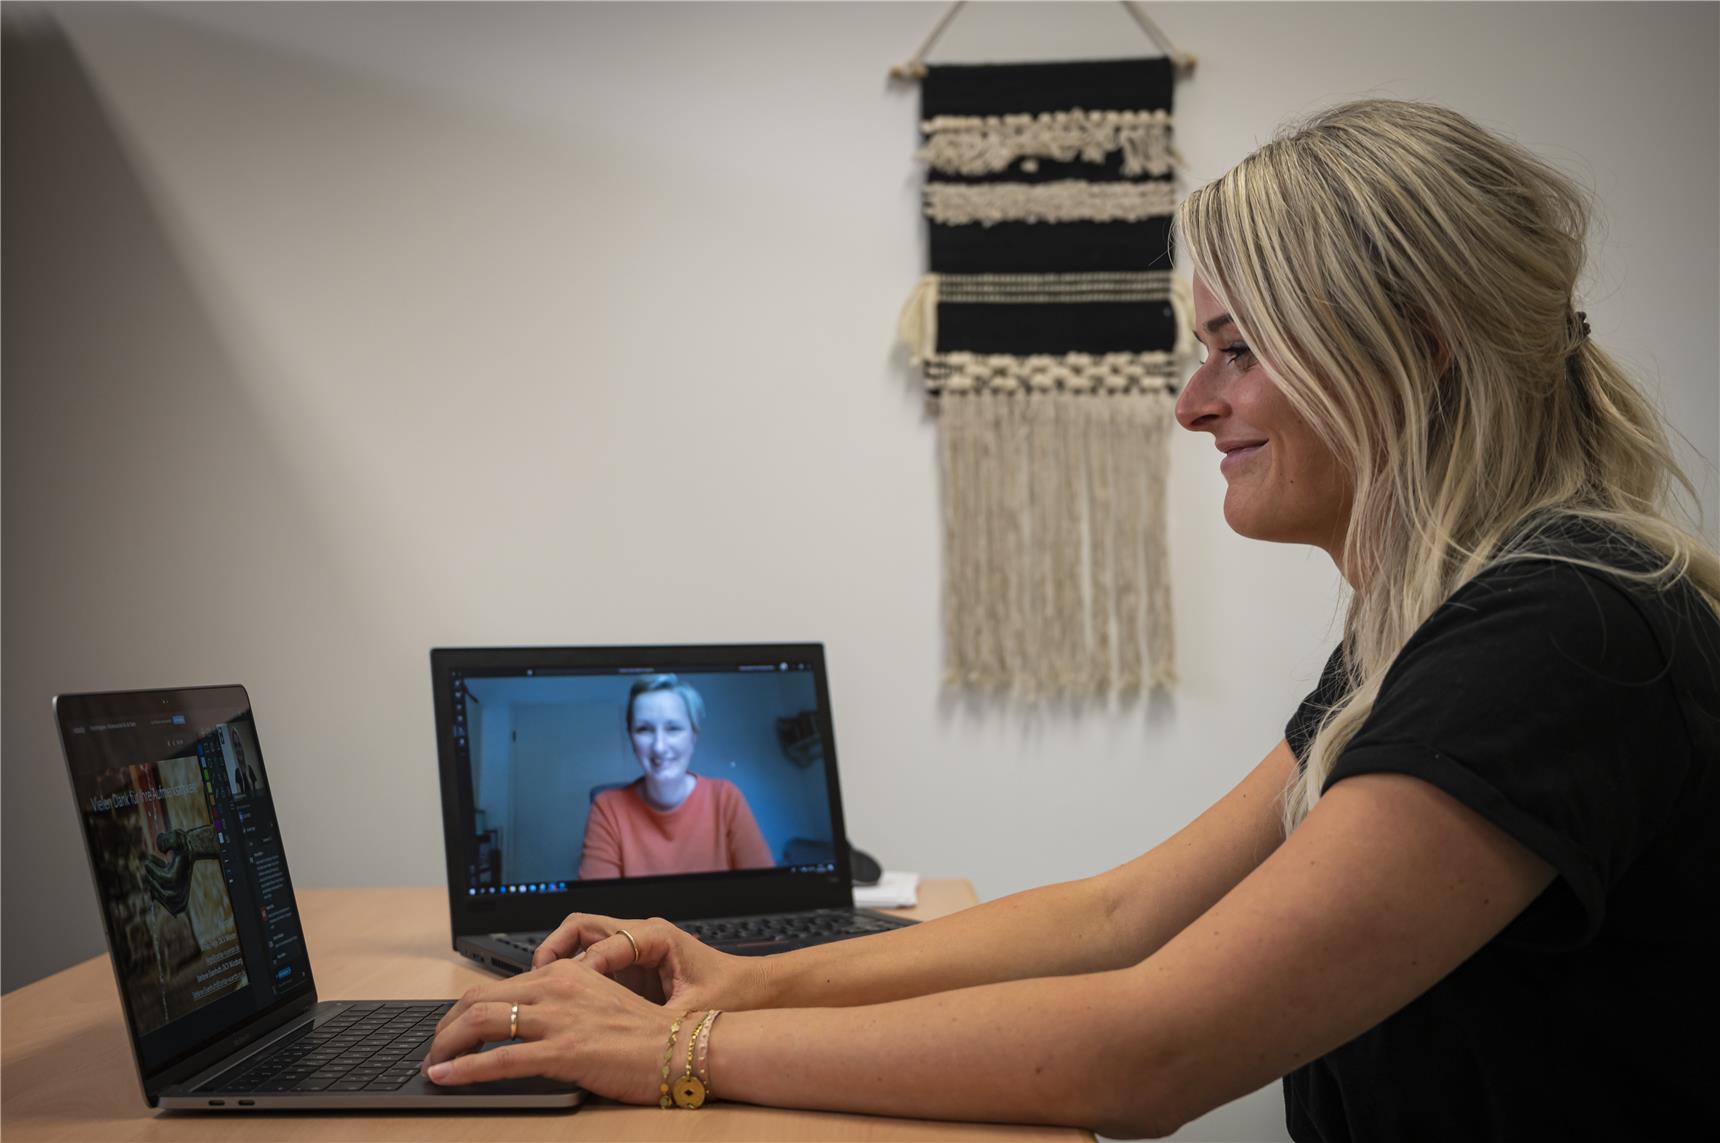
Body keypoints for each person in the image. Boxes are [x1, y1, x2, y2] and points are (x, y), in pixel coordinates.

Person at [420, 100, 1719, 1139]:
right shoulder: (1452, 619)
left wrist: (674, 1052)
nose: (1192, 405)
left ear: (1419, 348)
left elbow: (1148, 1049)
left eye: (1239, 349)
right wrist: (732, 975)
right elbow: (1124, 914)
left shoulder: (1562, 631)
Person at [576, 675, 774, 880]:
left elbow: (766, 890)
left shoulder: (725, 798)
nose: (659, 747)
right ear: (632, 739)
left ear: (693, 736)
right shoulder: (607, 808)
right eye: (644, 729)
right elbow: (598, 908)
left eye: (673, 728)